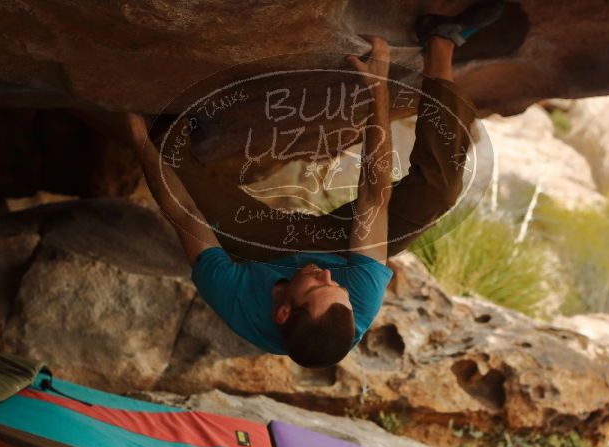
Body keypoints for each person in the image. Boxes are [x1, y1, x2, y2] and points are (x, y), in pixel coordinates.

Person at [85, 5, 501, 368]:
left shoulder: (237, 300)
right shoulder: (356, 296)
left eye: (319, 287)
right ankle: (442, 43)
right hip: (343, 246)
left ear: (282, 312)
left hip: (261, 248)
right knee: (439, 192)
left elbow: (184, 214)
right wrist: (377, 89)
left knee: (165, 152)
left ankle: (164, 127)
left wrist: (140, 143)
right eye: (335, 287)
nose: (326, 277)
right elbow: (376, 193)